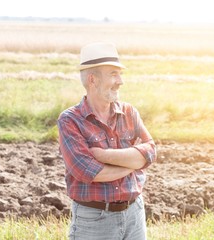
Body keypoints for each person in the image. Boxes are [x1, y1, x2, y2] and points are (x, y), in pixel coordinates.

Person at [57, 42, 157, 240]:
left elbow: (151, 151)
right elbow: (88, 171)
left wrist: (104, 155)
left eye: (120, 74)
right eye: (113, 74)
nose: (120, 81)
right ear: (93, 79)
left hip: (134, 214)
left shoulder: (129, 112)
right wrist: (134, 163)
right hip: (94, 220)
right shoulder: (70, 120)